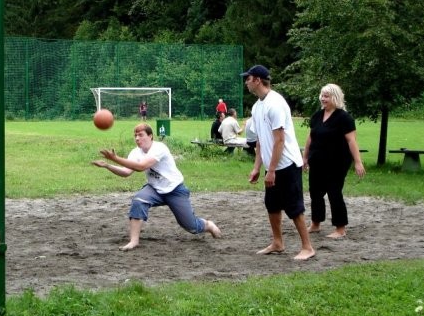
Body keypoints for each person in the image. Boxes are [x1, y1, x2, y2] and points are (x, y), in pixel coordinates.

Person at [92, 123, 221, 251]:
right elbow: (126, 172)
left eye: (141, 135)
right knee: (138, 201)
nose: (137, 138)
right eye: (135, 135)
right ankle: (134, 241)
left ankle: (208, 225)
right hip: (154, 189)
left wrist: (115, 158)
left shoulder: (159, 148)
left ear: (151, 136)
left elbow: (141, 167)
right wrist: (107, 166)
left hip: (175, 190)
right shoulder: (135, 152)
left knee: (190, 226)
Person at [243, 65, 315, 261]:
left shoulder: (275, 103)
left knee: (294, 206)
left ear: (257, 80)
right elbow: (260, 140)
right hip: (272, 167)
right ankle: (277, 243)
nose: (246, 82)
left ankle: (307, 247)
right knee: (272, 205)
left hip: (287, 164)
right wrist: (258, 167)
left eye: (248, 78)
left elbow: (280, 140)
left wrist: (272, 170)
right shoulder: (258, 106)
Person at [302, 83, 366, 238]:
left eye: (327, 96)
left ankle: (340, 228)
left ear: (335, 97)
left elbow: (352, 141)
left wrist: (358, 162)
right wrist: (305, 157)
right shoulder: (317, 116)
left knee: (334, 192)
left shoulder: (344, 118)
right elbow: (311, 137)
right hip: (317, 160)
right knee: (315, 193)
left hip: (336, 162)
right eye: (322, 95)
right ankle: (316, 223)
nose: (323, 99)